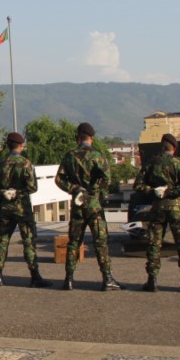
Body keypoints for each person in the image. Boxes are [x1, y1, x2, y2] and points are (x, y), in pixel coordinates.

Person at [133, 133, 180, 292]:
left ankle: (152, 280)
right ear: (174, 148)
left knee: (154, 244)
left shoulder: (151, 163)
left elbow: (137, 185)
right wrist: (170, 191)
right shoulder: (178, 164)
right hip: (176, 208)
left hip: (157, 208)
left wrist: (154, 191)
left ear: (162, 146)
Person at [54, 122, 122, 291]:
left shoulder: (69, 156)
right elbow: (107, 178)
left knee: (74, 242)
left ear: (78, 137)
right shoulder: (97, 156)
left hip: (78, 204)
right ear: (92, 137)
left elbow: (59, 179)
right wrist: (93, 189)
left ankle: (68, 279)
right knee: (100, 241)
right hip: (93, 204)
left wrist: (75, 188)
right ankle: (107, 278)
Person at [0, 132, 47, 287]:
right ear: (21, 146)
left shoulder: (0, 164)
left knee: (3, 240)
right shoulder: (26, 164)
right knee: (28, 241)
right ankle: (35, 276)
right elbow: (33, 187)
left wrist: (4, 192)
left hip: (5, 208)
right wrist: (18, 192)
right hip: (22, 209)